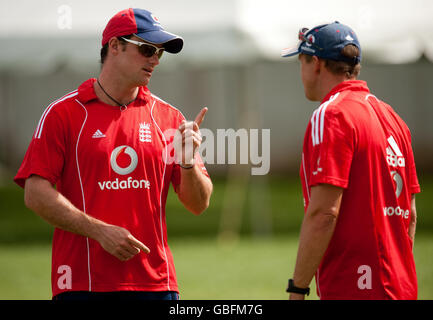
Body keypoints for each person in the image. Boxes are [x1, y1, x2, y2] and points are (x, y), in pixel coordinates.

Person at [14, 8, 213, 300]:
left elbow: (199, 204)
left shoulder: (169, 118)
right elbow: (35, 193)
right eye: (147, 49)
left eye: (160, 53)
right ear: (115, 46)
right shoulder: (64, 114)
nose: (155, 60)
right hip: (82, 284)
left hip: (156, 286)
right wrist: (99, 231)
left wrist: (187, 165)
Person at [281, 22, 420, 300]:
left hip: (354, 288)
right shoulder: (393, 117)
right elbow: (410, 215)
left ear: (316, 63)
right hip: (402, 286)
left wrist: (297, 288)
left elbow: (324, 213)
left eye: (301, 62)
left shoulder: (331, 114)